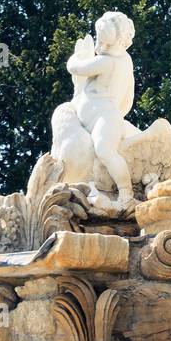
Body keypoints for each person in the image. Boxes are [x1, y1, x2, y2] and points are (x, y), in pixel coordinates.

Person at [66, 12, 138, 205]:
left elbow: (77, 68)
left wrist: (75, 58)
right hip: (106, 114)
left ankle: (126, 193)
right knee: (99, 151)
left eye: (103, 40)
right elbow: (129, 95)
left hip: (105, 116)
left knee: (104, 149)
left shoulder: (105, 62)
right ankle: (96, 185)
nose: (101, 45)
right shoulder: (125, 61)